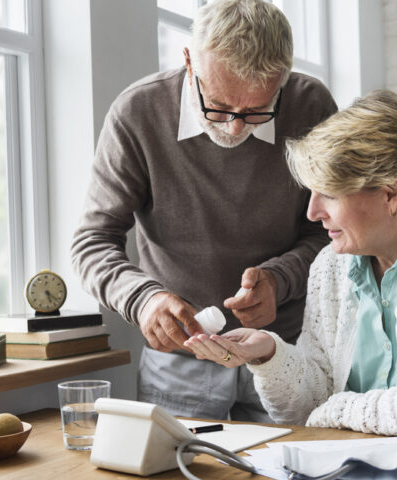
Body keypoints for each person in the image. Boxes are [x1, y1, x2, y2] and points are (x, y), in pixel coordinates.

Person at [185, 89, 397, 442]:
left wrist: (337, 410)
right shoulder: (330, 266)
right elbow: (307, 407)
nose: (312, 212)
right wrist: (269, 354)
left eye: (330, 193)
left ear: (390, 194)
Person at [71, 0, 337, 422]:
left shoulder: (311, 107)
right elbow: (92, 243)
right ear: (189, 61)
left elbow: (331, 232)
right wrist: (144, 300)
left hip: (286, 351)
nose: (234, 127)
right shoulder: (137, 113)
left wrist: (279, 281)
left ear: (284, 80)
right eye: (218, 104)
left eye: (255, 111)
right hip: (178, 361)